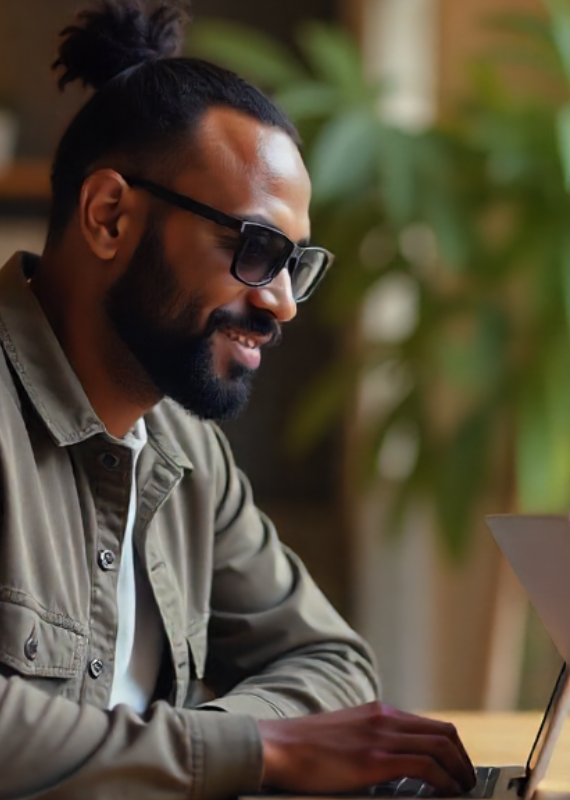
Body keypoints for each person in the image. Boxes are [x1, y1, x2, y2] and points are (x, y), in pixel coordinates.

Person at [0, 2, 476, 798]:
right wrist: (258, 754)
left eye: (295, 263)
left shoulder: (185, 449)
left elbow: (334, 663)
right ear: (109, 216)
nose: (284, 303)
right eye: (255, 248)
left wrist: (246, 742)